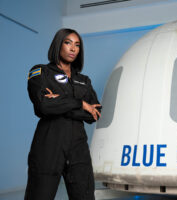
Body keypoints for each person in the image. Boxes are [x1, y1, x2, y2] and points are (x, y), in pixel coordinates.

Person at [25, 28, 101, 200]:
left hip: (78, 148)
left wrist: (59, 102)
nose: (73, 49)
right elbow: (43, 106)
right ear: (58, 44)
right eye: (68, 43)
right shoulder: (40, 72)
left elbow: (94, 114)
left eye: (77, 45)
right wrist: (80, 103)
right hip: (48, 145)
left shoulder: (84, 80)